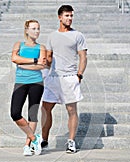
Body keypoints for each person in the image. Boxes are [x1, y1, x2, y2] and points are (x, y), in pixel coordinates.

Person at [41, 5, 88, 153]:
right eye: (67, 16)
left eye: (71, 16)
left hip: (69, 77)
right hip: (53, 77)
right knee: (45, 108)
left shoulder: (78, 35)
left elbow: (83, 56)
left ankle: (71, 142)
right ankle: (44, 140)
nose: (70, 18)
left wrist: (79, 74)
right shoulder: (52, 36)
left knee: (71, 110)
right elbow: (48, 58)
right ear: (60, 17)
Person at [10, 19, 47, 156]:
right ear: (26, 30)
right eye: (33, 28)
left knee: (32, 114)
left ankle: (28, 145)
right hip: (21, 82)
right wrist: (34, 61)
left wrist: (22, 63)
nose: (36, 31)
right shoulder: (18, 44)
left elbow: (41, 66)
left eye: (38, 28)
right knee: (15, 113)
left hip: (37, 83)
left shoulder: (41, 47)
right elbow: (14, 58)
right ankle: (34, 138)